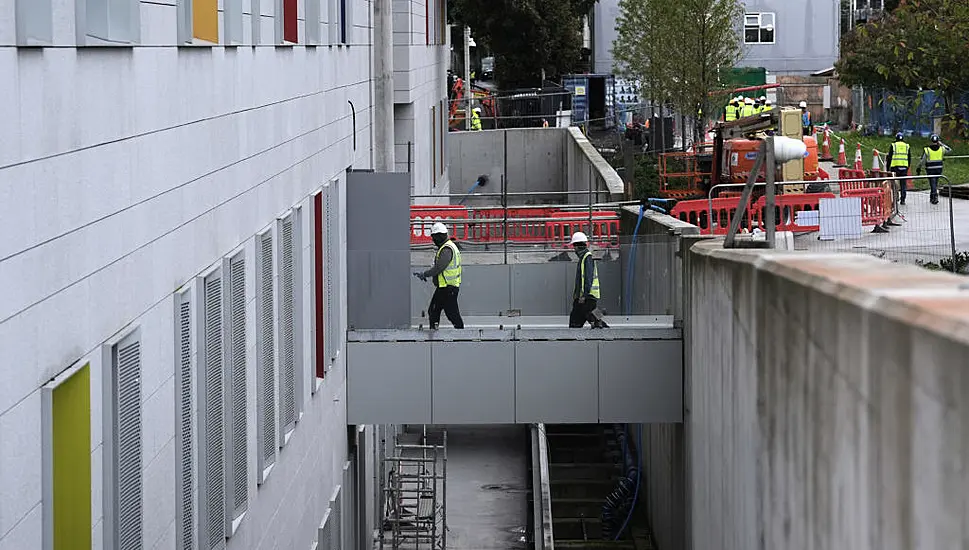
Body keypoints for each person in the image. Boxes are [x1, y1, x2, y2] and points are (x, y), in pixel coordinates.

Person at [414, 223, 464, 329]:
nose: (433, 240)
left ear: (439, 236)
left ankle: (460, 334)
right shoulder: (447, 247)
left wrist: (425, 274)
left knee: (446, 312)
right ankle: (439, 331)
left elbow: (439, 268)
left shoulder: (447, 249)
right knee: (438, 311)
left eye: (434, 237)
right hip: (446, 287)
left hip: (447, 287)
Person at [568, 232, 607, 329]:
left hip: (587, 296)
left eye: (574, 246)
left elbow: (587, 278)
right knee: (588, 316)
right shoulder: (584, 258)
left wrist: (583, 295)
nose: (574, 249)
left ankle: (601, 320)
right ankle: (601, 317)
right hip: (586, 297)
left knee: (578, 321)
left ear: (577, 246)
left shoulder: (587, 258)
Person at [916, 133, 951, 205]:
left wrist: (919, 167)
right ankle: (932, 196)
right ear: (938, 141)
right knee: (935, 183)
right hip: (939, 169)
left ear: (931, 141)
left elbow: (923, 160)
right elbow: (949, 150)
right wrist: (941, 144)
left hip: (930, 169)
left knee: (932, 183)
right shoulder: (942, 149)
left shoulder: (927, 150)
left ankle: (934, 197)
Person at [886, 132, 911, 205]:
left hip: (894, 167)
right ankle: (903, 199)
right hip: (904, 167)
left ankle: (895, 197)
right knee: (903, 184)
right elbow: (909, 158)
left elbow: (889, 158)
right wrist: (907, 166)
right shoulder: (907, 146)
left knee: (894, 183)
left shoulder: (893, 145)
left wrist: (888, 168)